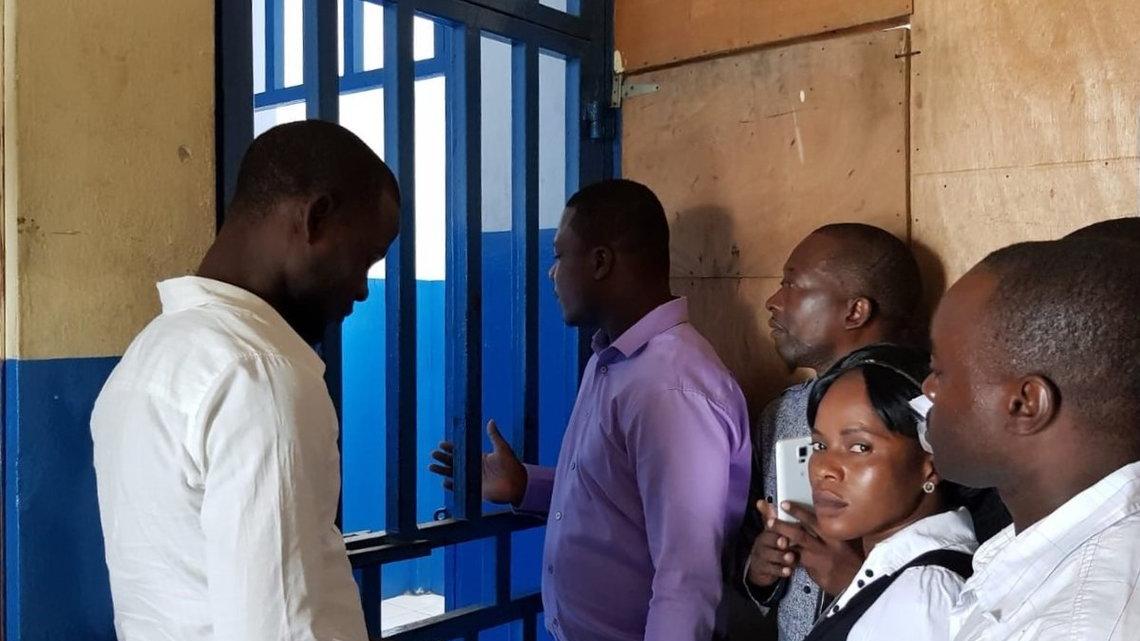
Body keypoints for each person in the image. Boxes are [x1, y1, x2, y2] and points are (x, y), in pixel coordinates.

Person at [91, 121, 400, 641]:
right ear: (316, 218)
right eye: (365, 258)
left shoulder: (150, 354)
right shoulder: (262, 377)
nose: (362, 288)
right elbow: (281, 627)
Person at [429, 179, 751, 641]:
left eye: (560, 255)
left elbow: (686, 578)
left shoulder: (671, 386)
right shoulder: (613, 361)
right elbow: (621, 498)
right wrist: (526, 486)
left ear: (600, 262)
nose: (551, 273)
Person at [923, 237, 1140, 641]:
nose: (928, 389)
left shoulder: (1080, 626)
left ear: (1026, 405)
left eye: (940, 371)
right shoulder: (1044, 551)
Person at [737, 223, 925, 641]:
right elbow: (752, 542)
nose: (773, 301)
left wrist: (856, 584)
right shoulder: (781, 414)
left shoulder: (919, 409)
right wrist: (760, 569)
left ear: (855, 311)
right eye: (821, 443)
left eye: (792, 285)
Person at [761, 344, 977, 641]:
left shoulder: (922, 598)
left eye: (859, 447)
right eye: (820, 446)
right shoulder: (895, 576)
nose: (824, 469)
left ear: (931, 464)